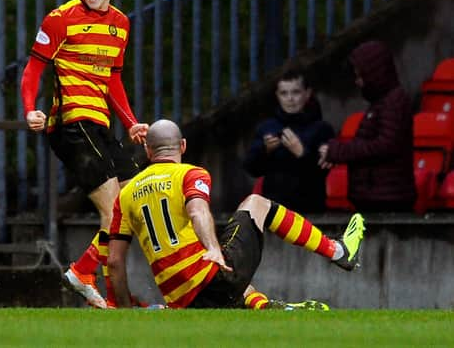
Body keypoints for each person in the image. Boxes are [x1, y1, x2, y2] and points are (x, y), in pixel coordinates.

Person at [108, 119, 365, 309]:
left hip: (181, 300)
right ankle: (338, 251)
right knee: (256, 204)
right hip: (210, 282)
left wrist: (125, 311)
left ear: (148, 151)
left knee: (230, 274)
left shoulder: (126, 194)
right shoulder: (190, 174)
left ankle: (270, 308)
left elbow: (115, 263)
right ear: (183, 146)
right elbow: (197, 211)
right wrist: (213, 249)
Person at [21, 0, 148, 309]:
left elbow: (113, 80)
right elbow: (32, 70)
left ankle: (114, 298)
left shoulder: (121, 23)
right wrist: (30, 110)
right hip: (71, 125)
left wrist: (131, 122)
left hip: (101, 126)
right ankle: (83, 271)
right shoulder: (60, 19)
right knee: (115, 212)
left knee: (135, 205)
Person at [318, 40, 417, 212]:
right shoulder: (382, 103)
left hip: (387, 200)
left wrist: (338, 152)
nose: (358, 82)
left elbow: (385, 145)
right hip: (376, 196)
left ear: (375, 74)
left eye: (360, 76)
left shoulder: (393, 102)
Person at [243, 69, 335, 212]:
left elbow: (323, 173)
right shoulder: (267, 127)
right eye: (284, 93)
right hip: (274, 210)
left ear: (307, 93)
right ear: (277, 96)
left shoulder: (322, 129)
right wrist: (265, 150)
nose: (290, 99)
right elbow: (251, 168)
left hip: (311, 209)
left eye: (296, 92)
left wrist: (302, 153)